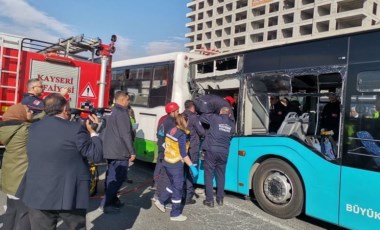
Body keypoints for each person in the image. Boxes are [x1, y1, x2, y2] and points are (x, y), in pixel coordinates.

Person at [16, 93, 103, 229]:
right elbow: (96, 156)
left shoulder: (33, 128)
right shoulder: (75, 129)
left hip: (38, 193)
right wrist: (93, 132)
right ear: (64, 109)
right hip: (69, 195)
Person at [153, 114, 198, 221]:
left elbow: (164, 144)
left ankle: (161, 201)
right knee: (178, 188)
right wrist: (192, 166)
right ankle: (175, 214)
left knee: (173, 184)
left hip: (167, 162)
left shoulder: (172, 130)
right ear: (184, 122)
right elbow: (184, 154)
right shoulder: (181, 135)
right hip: (176, 165)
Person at [100, 91, 136, 213]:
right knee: (119, 177)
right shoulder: (122, 113)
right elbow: (125, 134)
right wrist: (132, 151)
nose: (128, 101)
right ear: (122, 100)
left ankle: (112, 200)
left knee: (111, 176)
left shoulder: (109, 111)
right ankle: (106, 204)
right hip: (120, 151)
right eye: (127, 99)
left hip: (109, 149)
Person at [0, 104, 33, 230]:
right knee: (24, 214)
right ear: (20, 115)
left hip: (10, 178)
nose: (32, 112)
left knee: (11, 212)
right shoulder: (25, 130)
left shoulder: (8, 129)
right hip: (21, 179)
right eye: (28, 111)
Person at [200, 107, 235, 207]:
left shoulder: (215, 118)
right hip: (224, 151)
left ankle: (209, 200)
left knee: (209, 174)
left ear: (220, 112)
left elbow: (202, 117)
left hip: (212, 150)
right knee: (221, 175)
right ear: (229, 114)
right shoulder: (232, 124)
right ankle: (220, 199)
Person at [152, 102, 180, 199]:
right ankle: (159, 196)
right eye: (177, 111)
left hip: (162, 150)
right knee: (164, 175)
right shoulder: (170, 123)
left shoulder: (165, 121)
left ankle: (157, 191)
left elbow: (160, 136)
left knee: (160, 171)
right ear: (172, 112)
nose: (178, 113)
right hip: (165, 152)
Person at [183, 100, 205, 204]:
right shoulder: (194, 117)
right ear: (192, 107)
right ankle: (188, 197)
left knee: (183, 172)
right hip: (193, 148)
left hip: (183, 148)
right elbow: (201, 131)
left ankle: (182, 194)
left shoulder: (181, 115)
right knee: (191, 172)